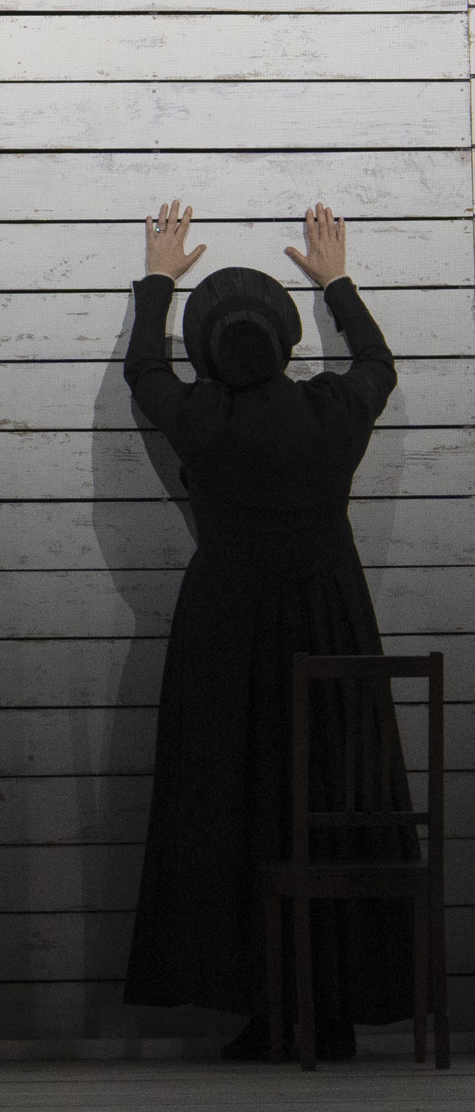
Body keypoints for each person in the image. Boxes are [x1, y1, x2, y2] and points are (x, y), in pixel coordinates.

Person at [120, 200, 415, 1059]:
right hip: (332, 619)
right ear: (285, 340)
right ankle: (334, 1005)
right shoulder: (331, 414)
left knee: (233, 805)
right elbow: (377, 365)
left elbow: (144, 374)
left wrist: (158, 282)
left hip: (225, 625)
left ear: (208, 350)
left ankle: (260, 1004)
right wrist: (338, 281)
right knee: (334, 799)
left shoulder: (202, 420)